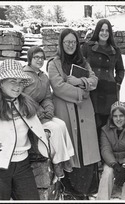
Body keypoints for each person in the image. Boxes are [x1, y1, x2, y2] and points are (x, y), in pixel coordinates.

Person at [0, 59, 52, 200]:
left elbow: (34, 127)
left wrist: (46, 134)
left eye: (20, 82)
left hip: (23, 166)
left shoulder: (26, 104)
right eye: (13, 81)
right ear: (1, 82)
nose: (17, 86)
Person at [47, 28, 101, 200]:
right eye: (67, 42)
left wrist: (81, 81)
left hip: (84, 112)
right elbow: (58, 87)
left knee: (85, 149)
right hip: (65, 112)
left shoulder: (83, 62)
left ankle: (87, 189)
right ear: (61, 44)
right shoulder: (54, 63)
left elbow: (94, 80)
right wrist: (81, 93)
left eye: (73, 42)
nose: (70, 45)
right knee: (72, 149)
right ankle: (71, 191)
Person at [23, 46, 75, 181]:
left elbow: (47, 97)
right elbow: (23, 98)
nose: (40, 60)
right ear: (30, 59)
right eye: (36, 57)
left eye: (42, 57)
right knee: (55, 128)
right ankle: (58, 162)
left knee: (62, 124)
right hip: (28, 115)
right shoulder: (24, 75)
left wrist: (49, 109)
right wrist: (38, 110)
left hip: (41, 113)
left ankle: (67, 158)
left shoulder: (44, 77)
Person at [81, 19, 125, 138]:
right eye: (101, 30)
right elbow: (79, 65)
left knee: (107, 125)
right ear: (97, 31)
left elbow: (120, 70)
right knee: (92, 122)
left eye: (107, 30)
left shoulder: (115, 51)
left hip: (109, 92)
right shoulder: (87, 47)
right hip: (92, 90)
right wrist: (83, 82)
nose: (104, 33)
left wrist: (117, 83)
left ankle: (105, 153)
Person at [97, 101, 125, 200]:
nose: (118, 119)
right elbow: (105, 149)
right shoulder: (105, 130)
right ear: (111, 117)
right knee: (107, 172)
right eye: (115, 116)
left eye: (121, 116)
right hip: (113, 162)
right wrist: (114, 165)